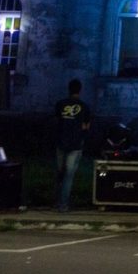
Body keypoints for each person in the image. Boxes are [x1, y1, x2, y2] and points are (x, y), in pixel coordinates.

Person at [53, 79, 91, 213]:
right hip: (75, 144)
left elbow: (56, 122)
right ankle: (63, 205)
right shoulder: (84, 106)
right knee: (69, 176)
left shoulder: (60, 104)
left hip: (61, 142)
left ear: (69, 89)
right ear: (80, 90)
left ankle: (56, 202)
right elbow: (86, 126)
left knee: (60, 173)